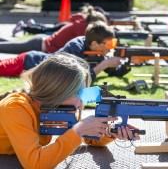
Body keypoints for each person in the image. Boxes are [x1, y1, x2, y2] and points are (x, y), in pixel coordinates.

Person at [0, 52, 140, 169]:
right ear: (57, 92)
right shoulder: (15, 109)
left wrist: (110, 131)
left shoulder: (54, 106)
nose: (82, 102)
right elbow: (36, 164)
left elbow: (89, 139)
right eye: (78, 94)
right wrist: (77, 131)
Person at [0, 21, 142, 79]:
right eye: (109, 43)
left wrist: (129, 63)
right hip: (28, 62)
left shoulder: (98, 53)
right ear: (94, 43)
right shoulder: (75, 47)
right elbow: (76, 79)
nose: (112, 46)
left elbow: (114, 73)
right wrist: (103, 65)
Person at [0, 5, 107, 54]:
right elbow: (88, 46)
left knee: (11, 45)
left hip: (41, 42)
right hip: (39, 45)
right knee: (5, 48)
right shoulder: (82, 27)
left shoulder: (82, 23)